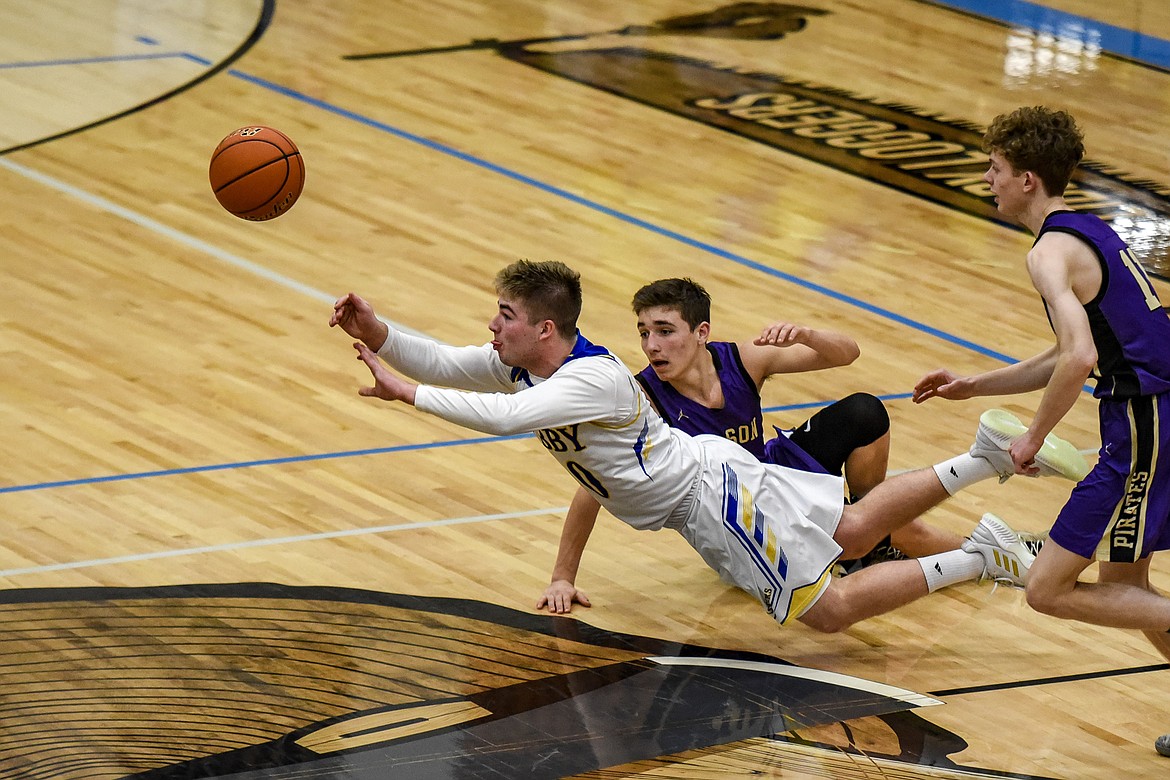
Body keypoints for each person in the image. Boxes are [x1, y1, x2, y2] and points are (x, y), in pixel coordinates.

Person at [331, 259, 1083, 634]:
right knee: (852, 532)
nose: (492, 330)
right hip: (718, 476)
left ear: (545, 330)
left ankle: (981, 554)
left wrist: (403, 394)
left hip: (712, 499)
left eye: (503, 317)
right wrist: (377, 332)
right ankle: (984, 458)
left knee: (828, 610)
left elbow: (496, 421)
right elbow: (445, 362)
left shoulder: (591, 380)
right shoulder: (524, 364)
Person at [911, 106, 1170, 755]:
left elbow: (1080, 357)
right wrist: (977, 384)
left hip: (1147, 421)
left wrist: (1030, 438)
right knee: (1122, 586)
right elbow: (1072, 350)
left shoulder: (1048, 252)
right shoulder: (1086, 233)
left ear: (1027, 178)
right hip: (1157, 415)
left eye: (994, 169)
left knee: (1047, 590)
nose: (987, 179)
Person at [538, 277, 965, 614]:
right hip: (739, 517)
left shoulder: (743, 359)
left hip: (778, 474)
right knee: (898, 529)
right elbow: (594, 485)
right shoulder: (643, 399)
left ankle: (881, 540)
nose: (651, 345)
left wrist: (808, 333)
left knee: (865, 412)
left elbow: (847, 354)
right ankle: (991, 551)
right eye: (644, 332)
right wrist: (562, 577)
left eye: (665, 331)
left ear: (701, 332)